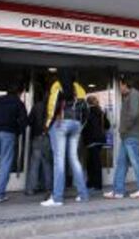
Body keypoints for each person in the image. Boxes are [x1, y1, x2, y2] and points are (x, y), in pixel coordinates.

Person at [41, 69, 89, 207]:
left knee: (59, 161)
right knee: (74, 159)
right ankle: (83, 194)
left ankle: (57, 198)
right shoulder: (80, 89)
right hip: (76, 125)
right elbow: (85, 109)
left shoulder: (57, 85)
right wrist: (81, 126)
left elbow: (52, 105)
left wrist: (47, 124)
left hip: (61, 123)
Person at [104, 75, 139, 199]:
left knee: (137, 162)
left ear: (125, 84)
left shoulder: (134, 95)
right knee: (121, 163)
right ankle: (118, 191)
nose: (120, 88)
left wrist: (124, 128)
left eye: (120, 85)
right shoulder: (128, 96)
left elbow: (134, 114)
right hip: (127, 136)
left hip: (131, 136)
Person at [25, 91, 53, 196]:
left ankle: (30, 189)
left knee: (34, 164)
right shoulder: (52, 107)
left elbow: (29, 121)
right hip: (48, 137)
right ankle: (48, 188)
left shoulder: (36, 106)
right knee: (47, 163)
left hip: (37, 137)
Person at [82, 95, 110, 191]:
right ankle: (93, 184)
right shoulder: (101, 112)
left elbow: (85, 126)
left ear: (88, 103)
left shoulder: (87, 112)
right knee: (94, 162)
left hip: (91, 140)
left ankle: (95, 184)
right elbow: (107, 125)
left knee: (92, 163)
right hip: (100, 140)